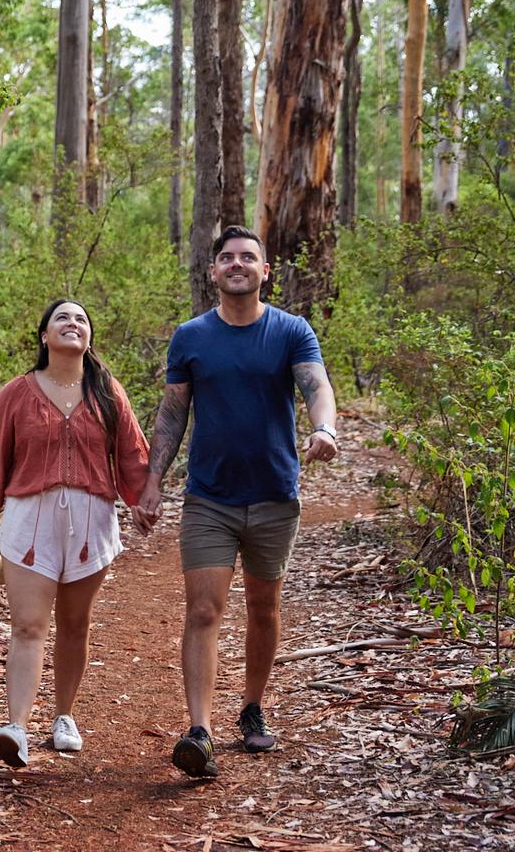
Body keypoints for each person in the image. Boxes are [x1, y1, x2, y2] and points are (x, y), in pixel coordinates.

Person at [136, 226, 340, 779]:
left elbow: (316, 385)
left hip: (274, 494)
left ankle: (252, 706)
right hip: (209, 498)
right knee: (204, 609)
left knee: (263, 608)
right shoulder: (191, 337)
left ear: (264, 270)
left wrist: (324, 428)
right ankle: (199, 731)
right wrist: (153, 481)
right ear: (213, 271)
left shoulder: (291, 330)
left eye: (248, 257)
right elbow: (172, 413)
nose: (237, 264)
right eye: (226, 257)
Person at [0, 299, 152, 767]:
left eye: (81, 319)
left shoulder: (107, 391)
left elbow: (132, 454)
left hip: (91, 519)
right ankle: (16, 727)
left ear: (89, 338)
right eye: (62, 318)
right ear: (44, 336)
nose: (73, 323)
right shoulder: (16, 393)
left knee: (74, 624)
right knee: (28, 625)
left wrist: (141, 501)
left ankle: (64, 716)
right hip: (30, 518)